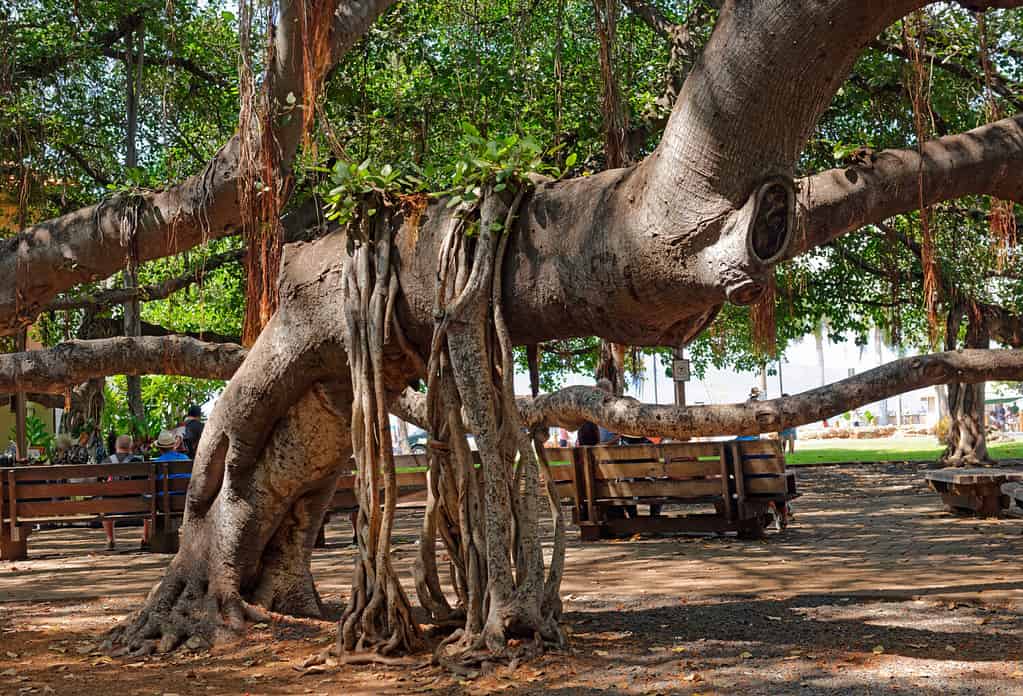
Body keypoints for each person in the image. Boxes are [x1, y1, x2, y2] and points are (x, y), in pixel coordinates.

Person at [141, 430, 191, 548]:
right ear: (173, 446)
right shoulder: (185, 459)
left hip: (162, 503)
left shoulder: (157, 463)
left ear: (159, 448)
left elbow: (151, 487)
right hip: (184, 501)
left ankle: (146, 538)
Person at [103, 435, 143, 551]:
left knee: (105, 502)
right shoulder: (138, 461)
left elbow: (100, 482)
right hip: (136, 504)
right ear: (131, 446)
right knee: (149, 502)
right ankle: (146, 537)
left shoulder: (106, 461)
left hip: (111, 505)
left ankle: (110, 539)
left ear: (116, 446)